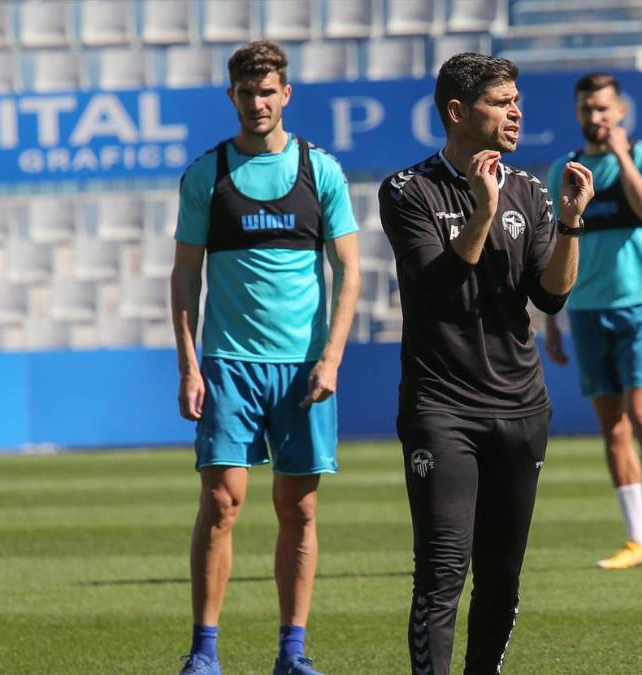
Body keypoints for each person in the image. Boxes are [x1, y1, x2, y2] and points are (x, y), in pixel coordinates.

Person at [379, 53, 593, 674]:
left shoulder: (529, 190)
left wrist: (572, 225)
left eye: (515, 100)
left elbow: (551, 295)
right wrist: (481, 208)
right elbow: (440, 289)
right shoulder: (407, 190)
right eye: (501, 102)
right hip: (441, 407)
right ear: (457, 112)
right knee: (443, 573)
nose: (516, 111)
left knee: (501, 577)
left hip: (522, 407)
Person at [169, 41, 361, 675]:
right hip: (229, 364)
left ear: (286, 95)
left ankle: (292, 651)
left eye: (268, 91)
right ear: (233, 97)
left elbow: (350, 270)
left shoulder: (320, 171)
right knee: (222, 502)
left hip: (304, 367)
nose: (258, 102)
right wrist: (190, 365)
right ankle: (204, 651)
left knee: (299, 508)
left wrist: (331, 359)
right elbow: (184, 277)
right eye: (247, 93)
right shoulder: (207, 175)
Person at [542, 72, 642, 571]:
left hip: (639, 305)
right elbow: (555, 245)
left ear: (620, 110)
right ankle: (637, 538)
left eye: (603, 108)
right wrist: (552, 321)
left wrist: (622, 156)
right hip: (585, 309)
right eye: (587, 109)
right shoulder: (566, 167)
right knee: (612, 426)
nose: (595, 117)